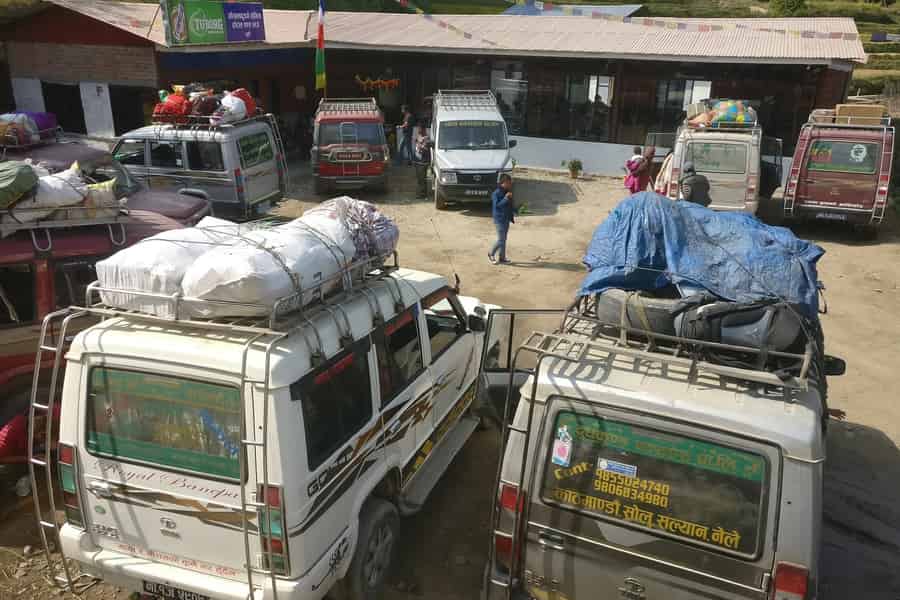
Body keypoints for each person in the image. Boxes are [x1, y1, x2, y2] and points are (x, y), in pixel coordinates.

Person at [488, 174, 515, 265]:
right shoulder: (496, 193)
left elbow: (510, 205)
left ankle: (502, 257)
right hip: (499, 219)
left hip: (506, 219)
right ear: (503, 183)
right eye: (508, 183)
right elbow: (497, 206)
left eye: (510, 183)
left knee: (504, 239)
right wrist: (506, 198)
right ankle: (491, 254)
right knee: (501, 240)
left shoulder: (508, 191)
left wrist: (515, 210)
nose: (510, 185)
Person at [413, 121, 431, 199]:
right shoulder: (419, 136)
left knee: (422, 178)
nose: (418, 129)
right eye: (418, 128)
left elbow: (424, 149)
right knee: (419, 178)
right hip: (418, 160)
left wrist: (419, 144)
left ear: (423, 129)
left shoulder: (426, 138)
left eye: (419, 128)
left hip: (423, 162)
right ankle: (421, 192)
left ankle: (423, 194)